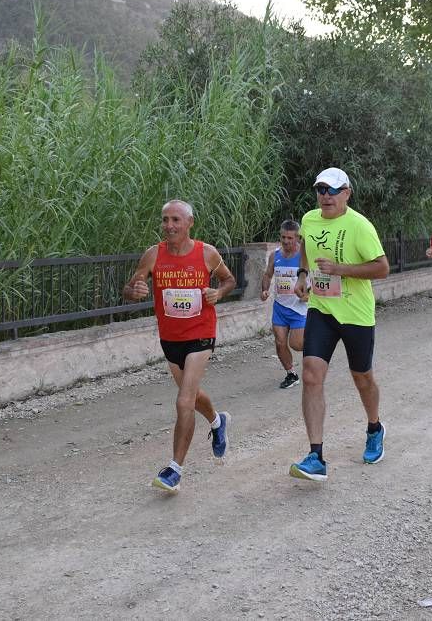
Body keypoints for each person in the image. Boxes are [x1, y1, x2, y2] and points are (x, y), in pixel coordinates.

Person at [122, 200, 236, 493]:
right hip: (170, 337)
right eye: (165, 220)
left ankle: (174, 470)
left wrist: (219, 292)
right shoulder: (153, 255)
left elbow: (229, 280)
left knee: (184, 401)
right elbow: (129, 289)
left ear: (189, 223)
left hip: (201, 333)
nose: (169, 225)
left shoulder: (206, 253)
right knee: (193, 394)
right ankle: (217, 420)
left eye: (175, 220)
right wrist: (134, 291)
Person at [288, 167, 390, 482]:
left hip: (356, 314)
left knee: (362, 377)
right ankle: (316, 456)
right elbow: (306, 245)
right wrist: (303, 275)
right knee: (310, 376)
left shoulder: (360, 226)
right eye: (321, 190)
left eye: (332, 190)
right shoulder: (309, 219)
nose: (326, 196)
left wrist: (340, 269)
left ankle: (374, 427)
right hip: (322, 309)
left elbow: (382, 268)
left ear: (347, 192)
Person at [260, 220, 308, 389]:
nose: (286, 241)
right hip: (280, 307)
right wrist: (265, 290)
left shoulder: (304, 255)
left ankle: (316, 350)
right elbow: (267, 275)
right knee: (280, 342)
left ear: (297, 238)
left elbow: (318, 278)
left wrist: (308, 294)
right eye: (283, 237)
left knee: (297, 344)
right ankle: (291, 374)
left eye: (290, 238)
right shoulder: (275, 255)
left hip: (299, 308)